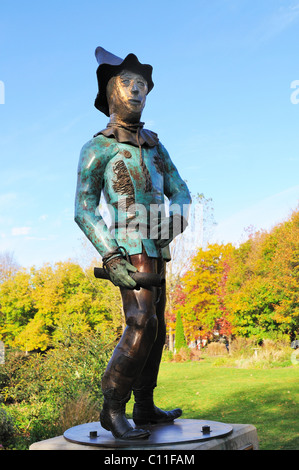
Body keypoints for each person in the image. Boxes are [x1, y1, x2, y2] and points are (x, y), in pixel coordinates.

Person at [75, 47, 191, 440]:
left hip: (158, 249)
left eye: (143, 85)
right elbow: (84, 209)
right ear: (111, 91)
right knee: (141, 322)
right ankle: (112, 408)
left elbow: (181, 190)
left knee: (156, 328)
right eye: (128, 83)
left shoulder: (157, 147)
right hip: (127, 249)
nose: (137, 91)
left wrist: (175, 218)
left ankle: (144, 405)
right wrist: (109, 255)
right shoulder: (99, 148)